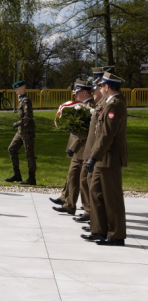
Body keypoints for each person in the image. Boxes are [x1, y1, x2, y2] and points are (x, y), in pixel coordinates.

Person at [83, 71, 127, 246]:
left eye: (101, 85)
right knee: (96, 193)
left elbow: (107, 135)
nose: (100, 88)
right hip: (102, 157)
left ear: (107, 87)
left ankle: (116, 234)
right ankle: (98, 230)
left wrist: (93, 156)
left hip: (109, 158)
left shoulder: (114, 105)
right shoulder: (107, 103)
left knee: (112, 197)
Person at [52, 80, 94, 215]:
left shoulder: (90, 107)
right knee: (72, 177)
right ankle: (69, 205)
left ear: (84, 92)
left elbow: (86, 132)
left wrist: (73, 146)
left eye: (77, 93)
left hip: (83, 149)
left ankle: (88, 210)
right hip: (77, 150)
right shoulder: (81, 105)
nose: (75, 96)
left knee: (83, 181)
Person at [5, 80, 36, 185]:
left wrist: (18, 123)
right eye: (15, 89)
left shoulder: (26, 100)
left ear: (23, 88)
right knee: (12, 149)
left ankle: (32, 178)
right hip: (21, 131)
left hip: (28, 131)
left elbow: (28, 116)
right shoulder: (21, 100)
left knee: (29, 154)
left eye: (17, 88)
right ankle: (16, 174)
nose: (16, 91)